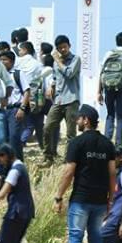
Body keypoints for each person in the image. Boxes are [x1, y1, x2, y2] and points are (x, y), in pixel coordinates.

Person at [54, 104, 116, 243]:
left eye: (79, 118)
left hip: (81, 199)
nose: (76, 121)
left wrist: (58, 196)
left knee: (75, 235)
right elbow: (112, 175)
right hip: (100, 201)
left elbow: (68, 172)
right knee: (95, 238)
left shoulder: (77, 143)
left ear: (86, 120)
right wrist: (111, 199)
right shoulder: (107, 145)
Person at [42, 35, 81, 164]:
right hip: (58, 100)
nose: (62, 50)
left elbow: (69, 74)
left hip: (71, 100)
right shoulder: (55, 62)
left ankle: (68, 160)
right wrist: (51, 86)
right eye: (59, 48)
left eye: (64, 47)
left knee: (70, 134)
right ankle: (48, 156)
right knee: (47, 127)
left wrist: (58, 61)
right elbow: (55, 76)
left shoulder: (76, 59)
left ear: (69, 46)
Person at [97, 32, 122, 149]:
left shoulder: (108, 54)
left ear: (116, 41)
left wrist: (99, 92)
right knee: (120, 116)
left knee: (110, 114)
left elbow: (101, 73)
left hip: (108, 86)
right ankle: (118, 144)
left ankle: (106, 142)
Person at [0, 49, 29, 160]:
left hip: (15, 109)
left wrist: (22, 108)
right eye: (0, 60)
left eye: (4, 60)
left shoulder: (18, 74)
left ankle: (18, 162)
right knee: (3, 138)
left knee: (14, 137)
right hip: (1, 110)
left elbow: (27, 91)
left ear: (11, 61)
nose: (2, 62)